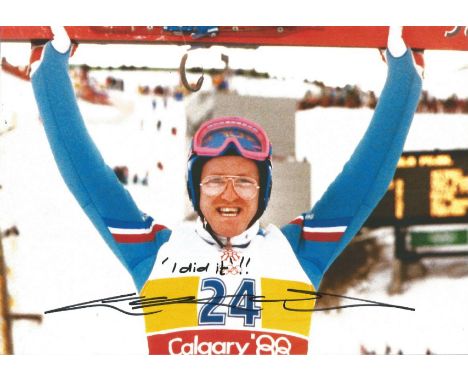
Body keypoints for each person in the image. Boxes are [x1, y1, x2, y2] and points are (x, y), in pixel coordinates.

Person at [31, 26, 422, 355]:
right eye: (215, 181)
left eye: (245, 182)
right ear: (196, 190)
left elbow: (365, 178)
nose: (229, 195)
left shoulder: (297, 251)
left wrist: (404, 78)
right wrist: (49, 72)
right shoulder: (157, 252)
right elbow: (87, 177)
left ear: (263, 192)